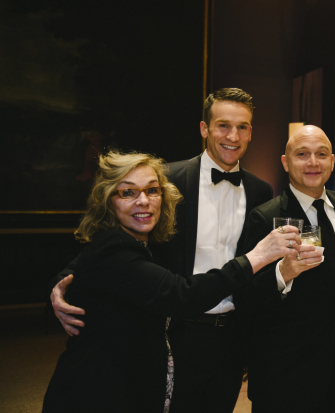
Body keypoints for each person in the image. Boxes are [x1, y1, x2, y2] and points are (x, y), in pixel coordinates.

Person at [49, 88, 275, 413]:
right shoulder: (163, 180)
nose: (233, 135)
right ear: (204, 129)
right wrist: (61, 284)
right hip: (175, 329)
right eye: (223, 125)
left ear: (251, 132)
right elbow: (106, 249)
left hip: (231, 334)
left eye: (242, 127)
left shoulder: (259, 189)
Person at [42, 150, 313, 413]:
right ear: (107, 200)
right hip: (96, 391)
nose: (143, 201)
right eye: (128, 192)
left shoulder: (144, 240)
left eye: (151, 190)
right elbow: (181, 295)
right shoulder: (115, 247)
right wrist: (257, 256)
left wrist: (62, 284)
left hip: (147, 372)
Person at [237, 125, 335, 413]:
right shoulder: (265, 217)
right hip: (283, 374)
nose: (313, 162)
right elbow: (246, 297)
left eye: (321, 154)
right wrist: (284, 274)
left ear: (332, 161)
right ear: (285, 162)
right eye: (302, 154)